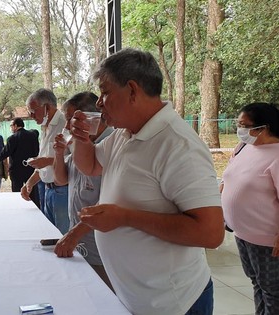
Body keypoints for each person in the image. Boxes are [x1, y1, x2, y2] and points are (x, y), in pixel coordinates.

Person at [70, 48, 224, 315]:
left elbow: (210, 233)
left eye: (105, 92)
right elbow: (92, 166)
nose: (99, 103)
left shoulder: (178, 145)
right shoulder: (123, 134)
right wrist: (82, 139)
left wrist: (124, 217)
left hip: (173, 303)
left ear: (132, 90)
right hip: (137, 297)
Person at [221, 102, 279, 315]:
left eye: (244, 125)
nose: (239, 130)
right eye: (238, 124)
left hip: (267, 239)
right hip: (241, 233)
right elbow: (229, 177)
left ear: (263, 128)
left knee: (271, 289)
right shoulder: (244, 147)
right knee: (257, 282)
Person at [52, 92, 113, 290]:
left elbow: (111, 203)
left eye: (71, 119)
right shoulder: (80, 142)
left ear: (92, 117)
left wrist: (74, 234)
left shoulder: (113, 144)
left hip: (102, 249)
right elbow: (61, 180)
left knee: (104, 300)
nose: (67, 126)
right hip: (80, 242)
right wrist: (59, 153)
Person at [20, 88, 69, 235]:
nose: (31, 116)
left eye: (33, 111)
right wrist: (29, 183)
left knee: (62, 236)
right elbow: (43, 164)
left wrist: (47, 161)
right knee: (49, 234)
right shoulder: (44, 127)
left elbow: (76, 159)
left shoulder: (64, 124)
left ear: (47, 107)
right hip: (47, 189)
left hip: (63, 190)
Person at [0, 118, 40, 208]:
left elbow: (4, 154)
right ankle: (36, 209)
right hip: (31, 168)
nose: (11, 128)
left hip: (17, 170)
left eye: (11, 126)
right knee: (32, 191)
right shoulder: (33, 135)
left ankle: (19, 208)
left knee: (17, 193)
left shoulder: (12, 138)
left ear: (15, 126)